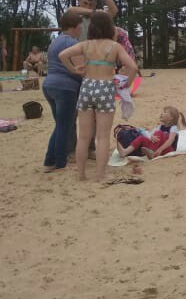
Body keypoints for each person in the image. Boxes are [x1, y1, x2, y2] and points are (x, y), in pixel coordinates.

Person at [59, 13, 138, 182]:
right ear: (109, 27)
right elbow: (132, 66)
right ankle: (100, 175)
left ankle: (81, 175)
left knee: (83, 136)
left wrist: (73, 70)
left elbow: (63, 55)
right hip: (105, 88)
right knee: (102, 136)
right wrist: (126, 84)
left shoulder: (85, 44)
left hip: (87, 87)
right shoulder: (115, 46)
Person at [41, 11, 83, 173]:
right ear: (74, 26)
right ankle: (55, 162)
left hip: (49, 86)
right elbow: (81, 69)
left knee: (60, 125)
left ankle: (53, 160)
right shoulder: (72, 43)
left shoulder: (55, 41)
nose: (81, 29)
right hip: (65, 88)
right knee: (64, 126)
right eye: (80, 26)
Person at [117, 105, 186, 159]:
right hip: (157, 149)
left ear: (171, 117)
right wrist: (151, 137)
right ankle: (125, 152)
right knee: (141, 138)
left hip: (168, 149)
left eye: (165, 112)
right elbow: (151, 135)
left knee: (159, 133)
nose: (161, 114)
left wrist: (160, 149)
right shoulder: (160, 127)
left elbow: (170, 141)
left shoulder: (173, 127)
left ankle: (152, 152)